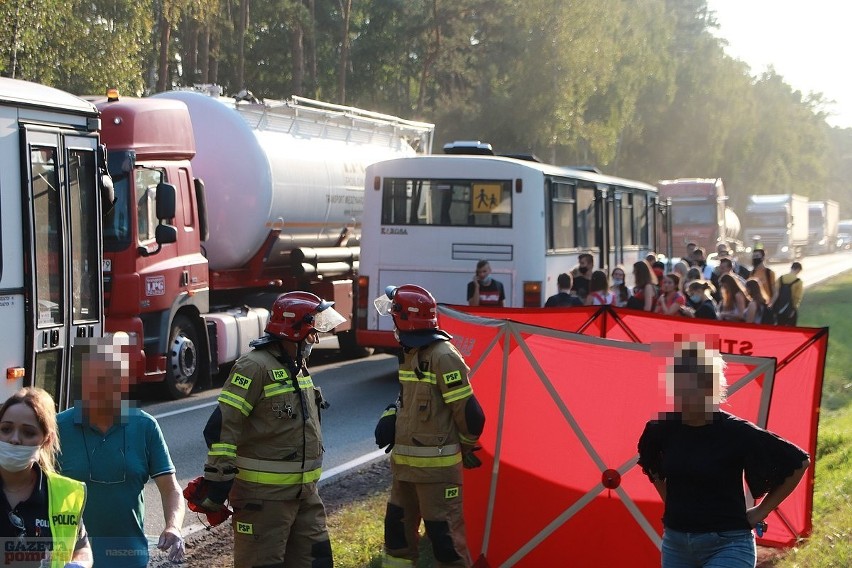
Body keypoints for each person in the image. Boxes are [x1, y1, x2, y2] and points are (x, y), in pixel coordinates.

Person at [198, 291, 347, 567]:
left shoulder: (297, 367)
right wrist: (219, 479)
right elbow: (221, 426)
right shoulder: (254, 367)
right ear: (295, 331)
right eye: (312, 332)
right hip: (263, 502)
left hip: (305, 496)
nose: (315, 339)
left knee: (319, 561)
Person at [638, 339, 810, 567]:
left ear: (711, 388)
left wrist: (760, 512)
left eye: (690, 385)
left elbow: (798, 462)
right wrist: (671, 501)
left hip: (729, 543)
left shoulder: (738, 432)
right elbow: (652, 465)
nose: (682, 392)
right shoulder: (660, 430)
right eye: (678, 384)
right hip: (676, 544)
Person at [373, 284, 485, 567]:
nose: (391, 320)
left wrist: (465, 446)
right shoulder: (410, 353)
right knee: (396, 539)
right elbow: (408, 400)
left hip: (436, 475)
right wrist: (392, 413)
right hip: (405, 471)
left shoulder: (443, 356)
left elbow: (471, 416)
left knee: (446, 544)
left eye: (394, 313)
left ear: (406, 318)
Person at [57, 333, 185, 567]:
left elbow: (171, 489)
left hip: (129, 558)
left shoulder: (145, 426)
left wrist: (173, 526)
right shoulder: (57, 429)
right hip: (71, 560)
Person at [1, 387, 93, 567]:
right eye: (5, 429)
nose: (14, 439)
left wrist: (79, 564)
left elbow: (81, 548)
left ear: (46, 440)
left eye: (28, 433)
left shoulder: (65, 493)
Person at [771, 262, 804, 326]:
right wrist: (793, 309)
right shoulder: (798, 282)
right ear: (798, 270)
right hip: (790, 309)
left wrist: (772, 305)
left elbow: (775, 293)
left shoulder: (781, 278)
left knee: (780, 327)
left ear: (791, 268)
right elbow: (797, 297)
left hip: (779, 308)